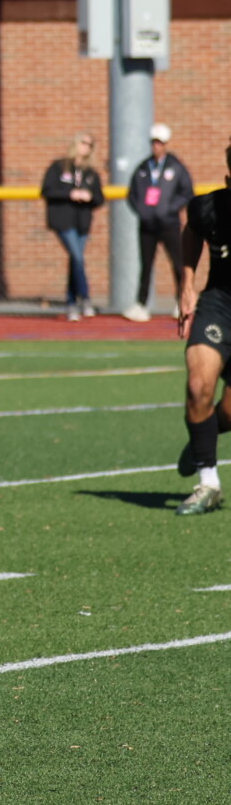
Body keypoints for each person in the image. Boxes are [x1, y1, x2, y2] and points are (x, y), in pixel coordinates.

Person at [174, 147, 231, 515]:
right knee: (198, 386)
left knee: (225, 414)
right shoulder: (209, 207)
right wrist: (187, 284)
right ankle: (208, 481)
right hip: (219, 305)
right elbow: (193, 231)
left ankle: (203, 435)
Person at [126, 123, 194, 323]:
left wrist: (169, 209)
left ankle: (180, 302)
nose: (156, 146)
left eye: (160, 143)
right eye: (154, 142)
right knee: (146, 265)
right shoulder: (143, 167)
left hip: (169, 224)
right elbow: (133, 194)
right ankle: (141, 304)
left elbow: (187, 192)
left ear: (165, 144)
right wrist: (142, 210)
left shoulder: (176, 166)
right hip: (147, 225)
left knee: (178, 263)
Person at [40, 134, 106, 322]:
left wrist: (89, 196)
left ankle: (71, 304)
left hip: (82, 223)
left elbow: (100, 198)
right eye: (84, 143)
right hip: (63, 220)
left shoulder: (91, 174)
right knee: (77, 257)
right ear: (75, 144)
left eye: (90, 145)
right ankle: (84, 296)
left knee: (75, 260)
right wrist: (70, 193)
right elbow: (46, 190)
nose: (86, 147)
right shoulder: (59, 167)